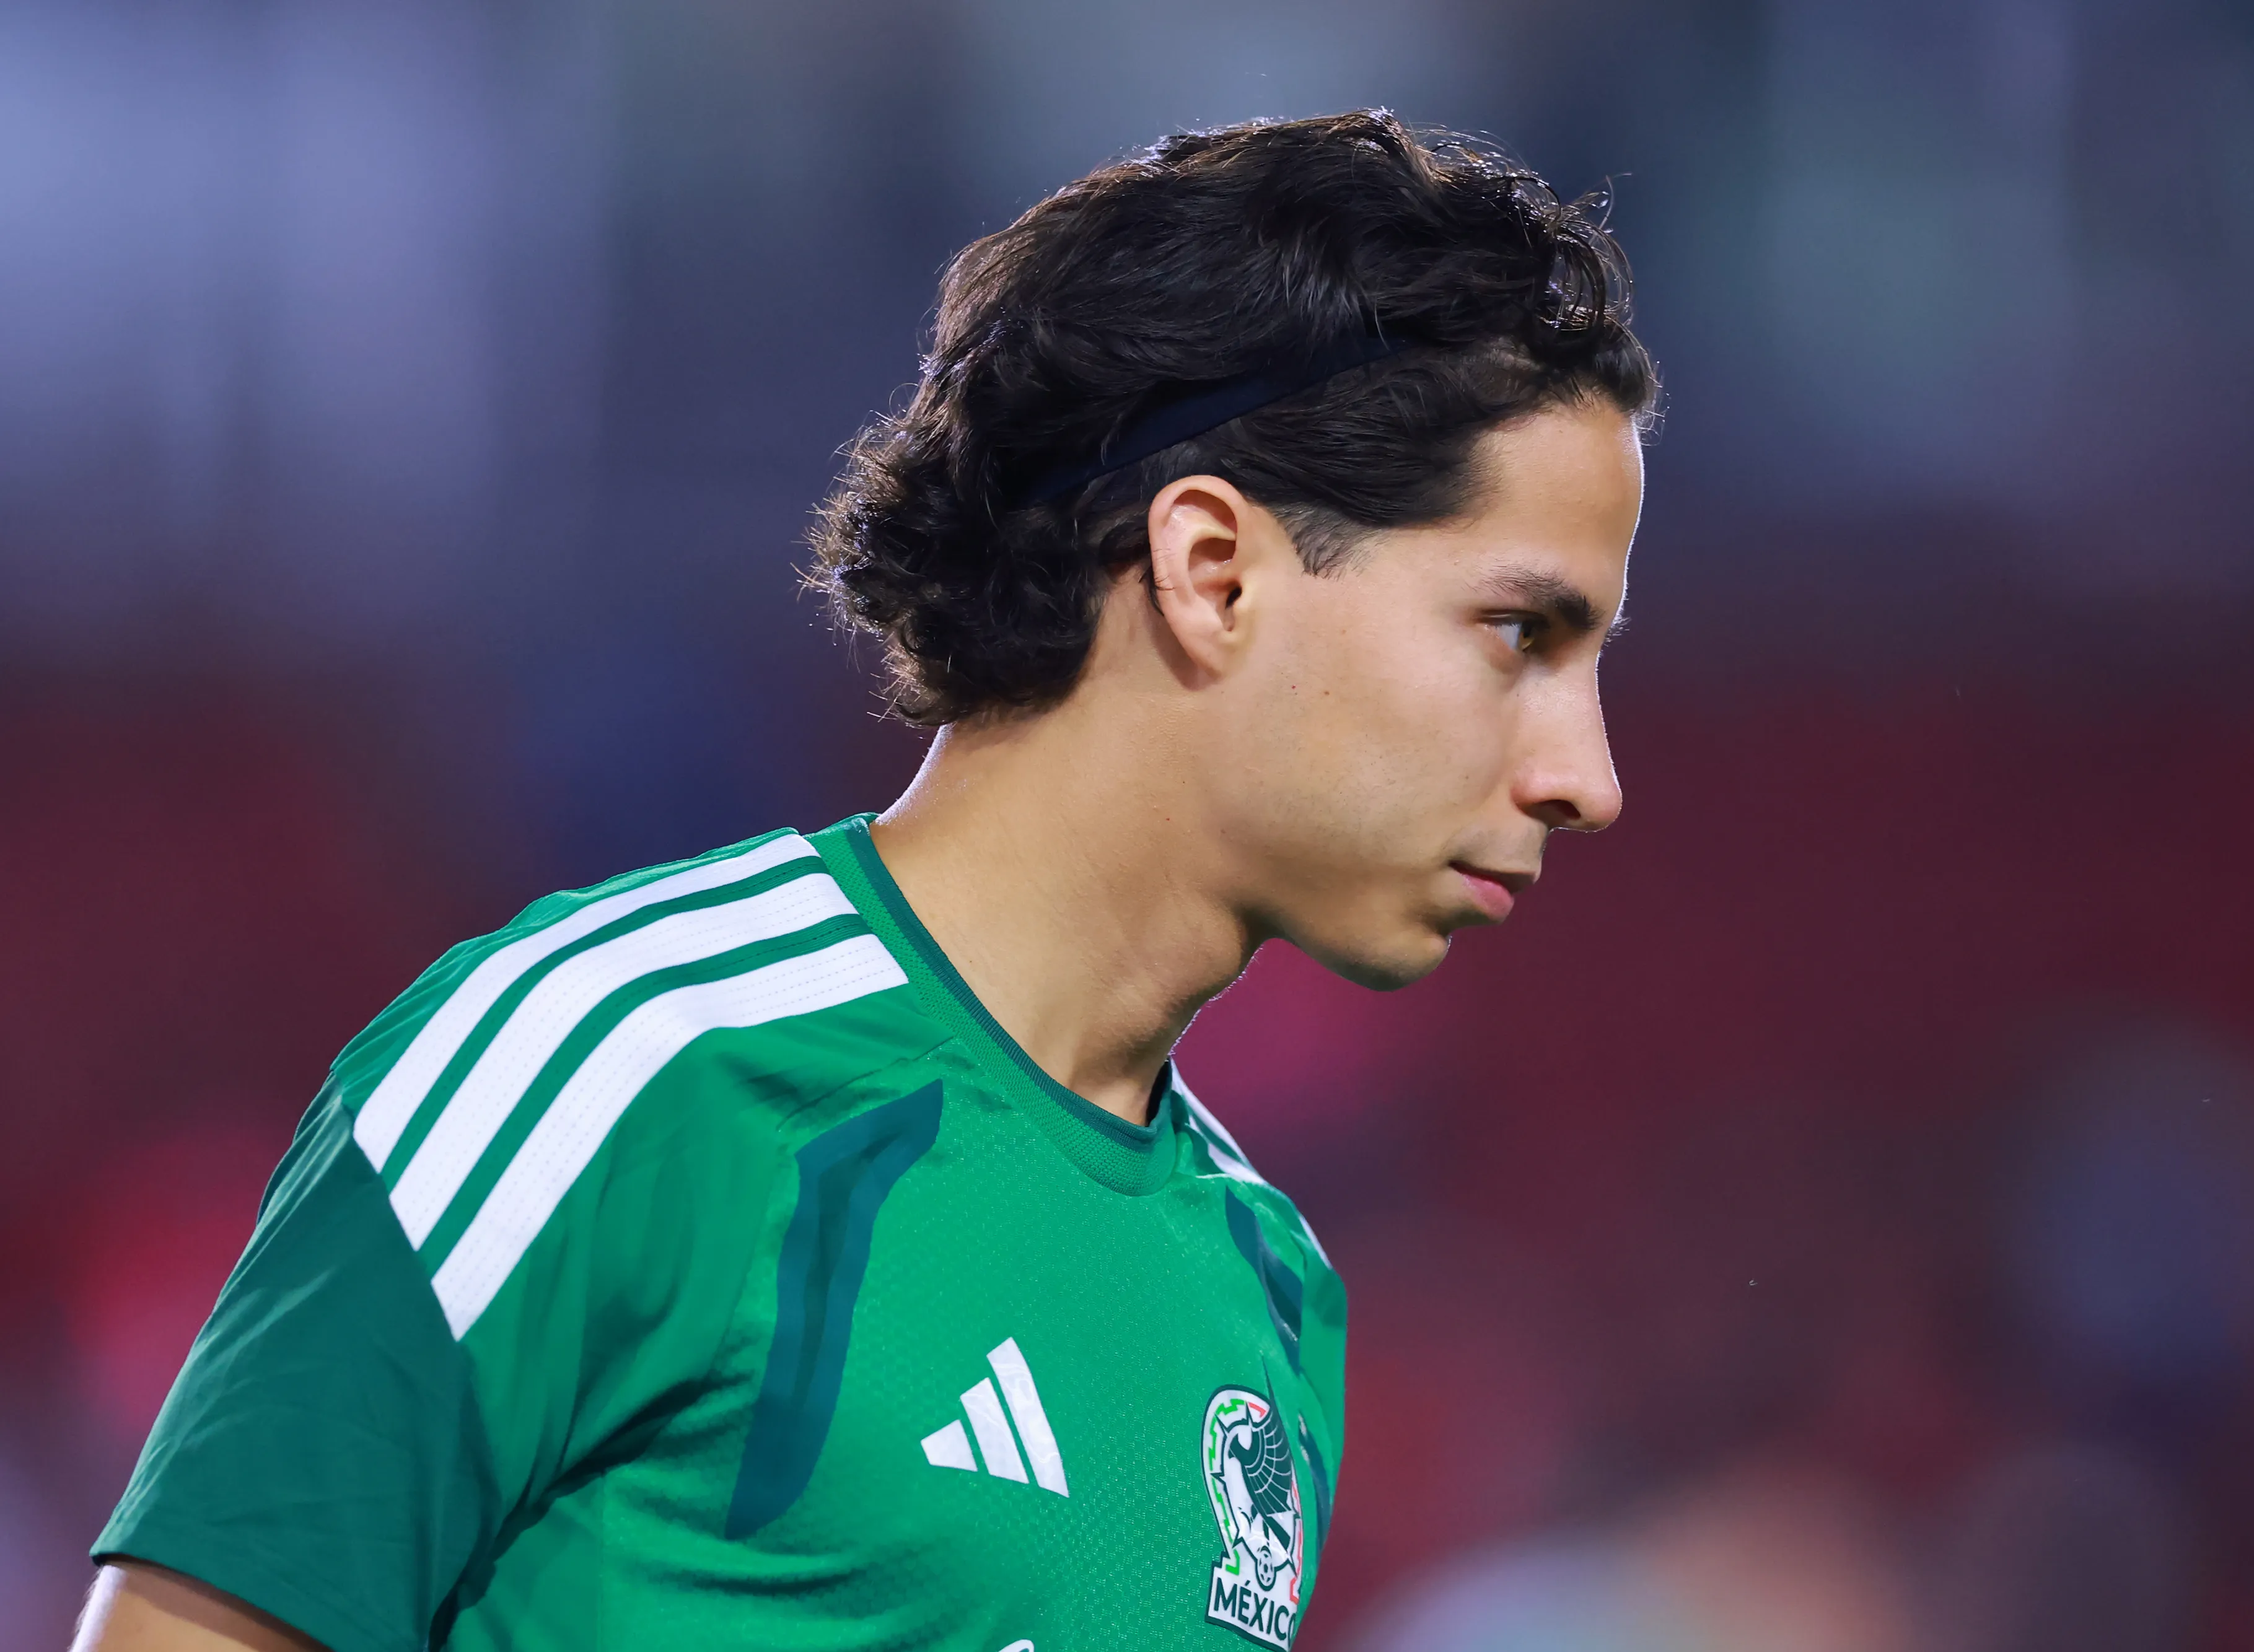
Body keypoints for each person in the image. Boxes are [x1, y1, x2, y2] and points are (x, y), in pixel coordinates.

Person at [73, 108, 1654, 1652]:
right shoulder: (632, 1066)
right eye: (1519, 633)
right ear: (1212, 569)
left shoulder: (1269, 1293)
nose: (1583, 775)